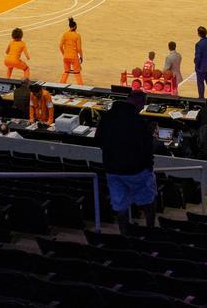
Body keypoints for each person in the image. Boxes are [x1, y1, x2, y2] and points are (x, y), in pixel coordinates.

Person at [97, 90, 157, 234]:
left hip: (112, 170)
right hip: (136, 171)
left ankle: (124, 234)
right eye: (143, 105)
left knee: (120, 205)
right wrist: (148, 166)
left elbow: (98, 140)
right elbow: (147, 149)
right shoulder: (139, 122)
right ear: (140, 103)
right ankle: (151, 232)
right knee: (149, 200)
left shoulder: (107, 117)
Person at [59, 18, 83, 84]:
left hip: (66, 56)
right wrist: (81, 57)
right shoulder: (77, 35)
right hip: (74, 57)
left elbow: (60, 46)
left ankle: (61, 86)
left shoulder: (65, 34)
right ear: (75, 27)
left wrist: (64, 54)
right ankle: (81, 87)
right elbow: (79, 49)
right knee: (77, 73)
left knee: (66, 72)